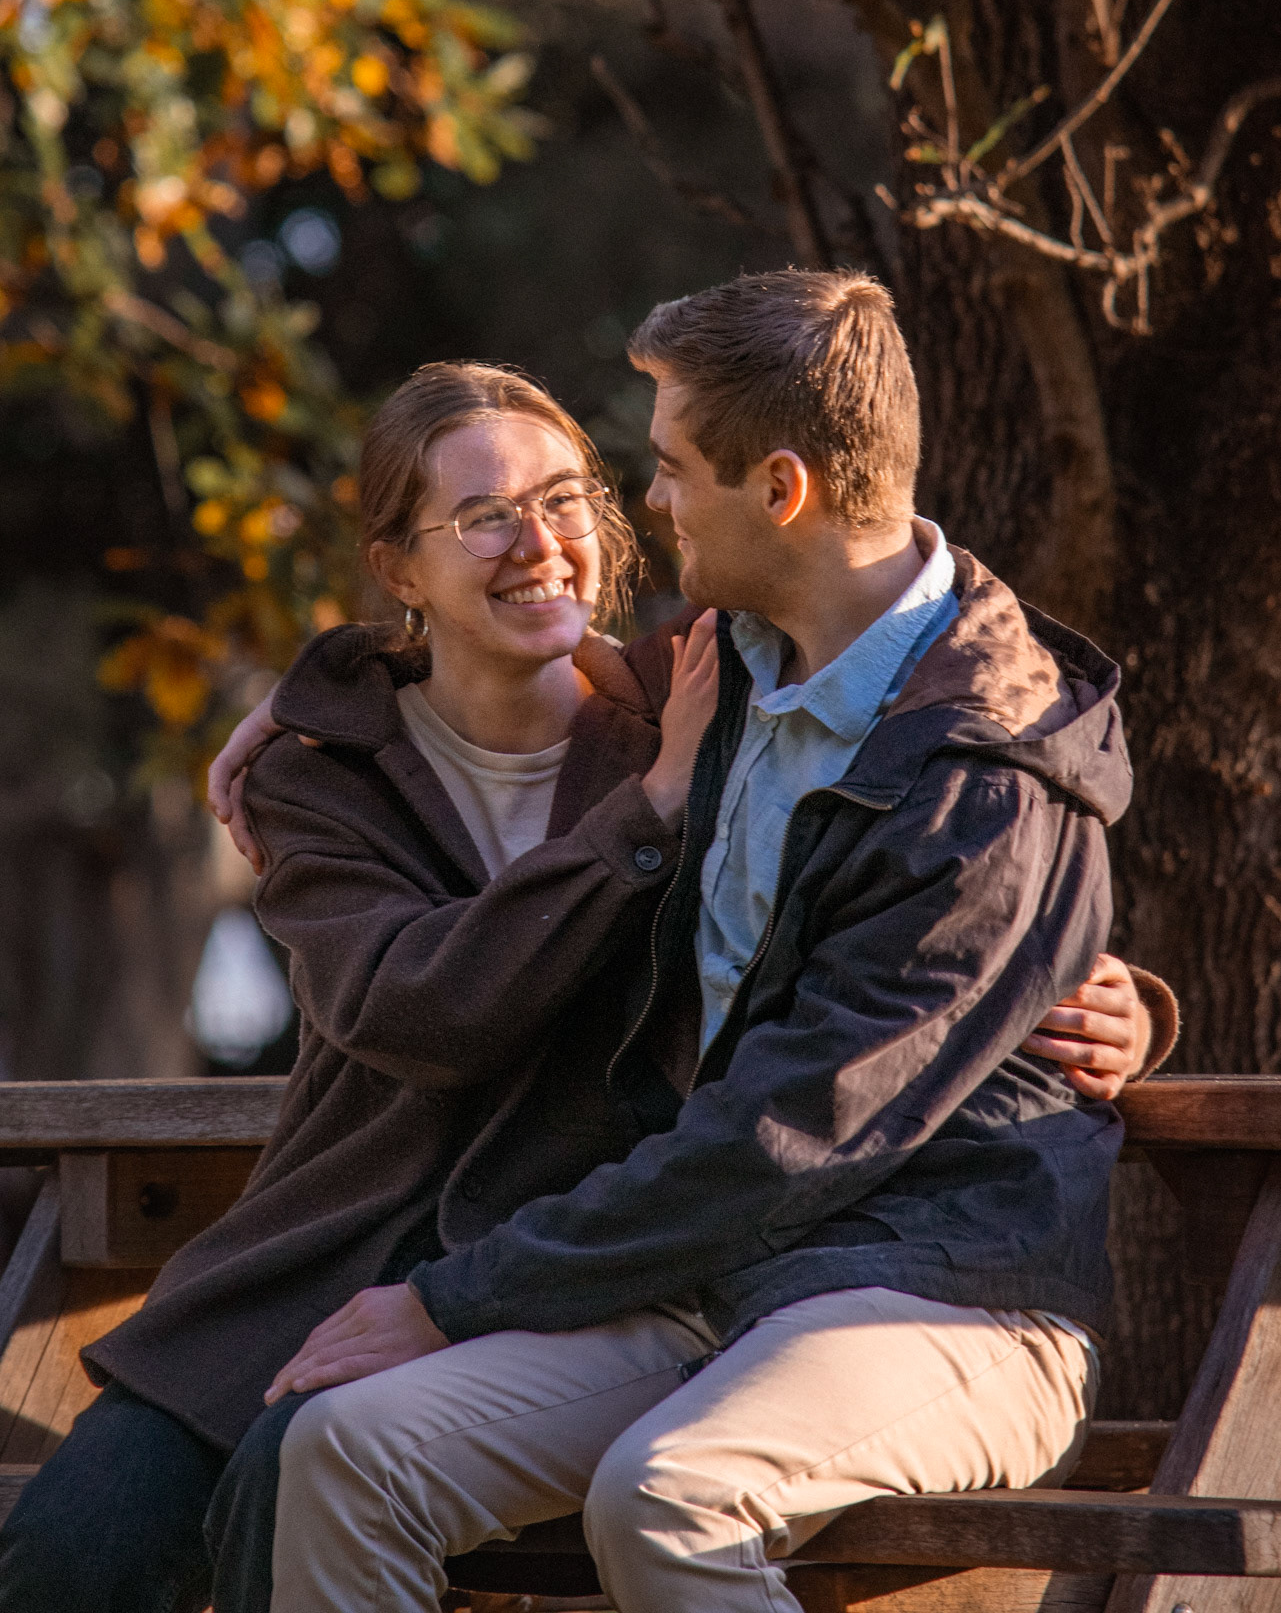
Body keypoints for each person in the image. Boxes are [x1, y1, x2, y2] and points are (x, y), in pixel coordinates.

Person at [233, 270, 1178, 1613]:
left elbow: (790, 1129)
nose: (652, 498)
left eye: (673, 466)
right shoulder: (732, 656)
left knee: (669, 1496)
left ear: (779, 490)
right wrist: (301, 718)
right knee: (343, 1452)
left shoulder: (983, 775)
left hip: (946, 1293)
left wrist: (453, 1299)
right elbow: (491, 658)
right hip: (722, 1271)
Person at [0, 360, 723, 1613]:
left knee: (291, 1487)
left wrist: (1079, 979)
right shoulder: (322, 775)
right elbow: (418, 1011)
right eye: (483, 516)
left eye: (562, 498)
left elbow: (914, 661)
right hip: (316, 1268)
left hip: (564, 1278)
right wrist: (647, 815)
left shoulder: (701, 716)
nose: (538, 542)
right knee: (72, 1551)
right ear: (399, 567)